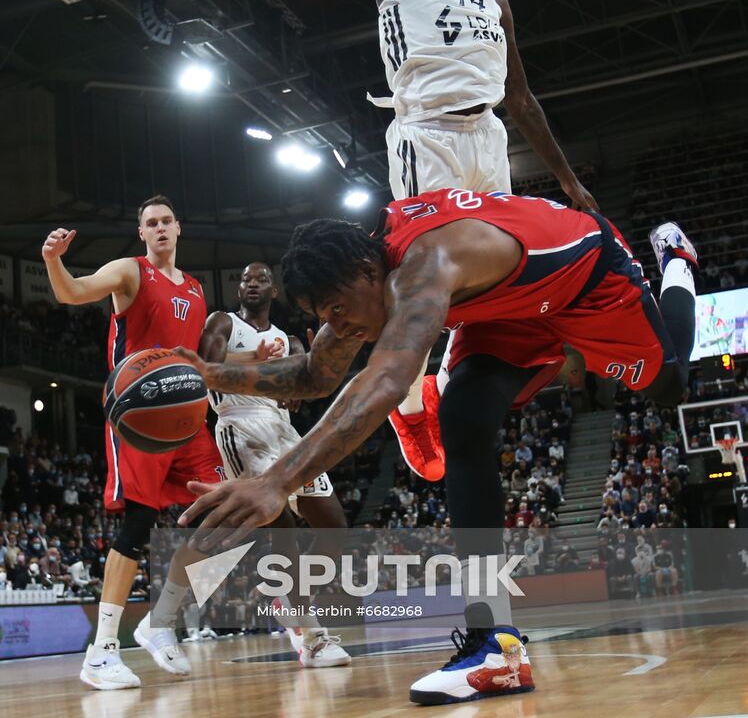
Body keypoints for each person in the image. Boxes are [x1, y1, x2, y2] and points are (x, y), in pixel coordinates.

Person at [178, 191, 698, 705]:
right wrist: (210, 373)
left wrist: (277, 480)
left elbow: (384, 381)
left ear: (365, 270)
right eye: (325, 315)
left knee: (668, 384)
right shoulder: (365, 274)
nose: (339, 326)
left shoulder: (424, 266)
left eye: (338, 309)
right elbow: (316, 374)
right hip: (507, 312)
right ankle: (496, 648)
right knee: (463, 418)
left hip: (585, 274)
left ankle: (676, 261)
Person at [293, 0, 597, 481]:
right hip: (425, 133)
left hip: (487, 138)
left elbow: (521, 98)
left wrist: (568, 182)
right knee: (425, 272)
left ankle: (454, 385)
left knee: (493, 276)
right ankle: (406, 412)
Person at [42, 195, 222, 691]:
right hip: (139, 418)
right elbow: (73, 293)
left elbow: (204, 359)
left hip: (189, 419)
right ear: (141, 232)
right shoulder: (129, 271)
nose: (160, 228)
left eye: (167, 220)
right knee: (139, 522)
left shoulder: (196, 288)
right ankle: (100, 653)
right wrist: (53, 261)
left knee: (231, 516)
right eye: (151, 223)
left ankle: (159, 620)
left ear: (179, 228)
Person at [198, 261, 350, 668]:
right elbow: (208, 373)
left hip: (284, 432)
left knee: (335, 527)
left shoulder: (287, 339)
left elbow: (306, 385)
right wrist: (262, 363)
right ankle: (312, 635)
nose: (251, 283)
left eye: (260, 279)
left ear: (274, 290)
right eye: (245, 278)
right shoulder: (223, 322)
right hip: (240, 425)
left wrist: (318, 359)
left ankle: (293, 596)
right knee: (282, 529)